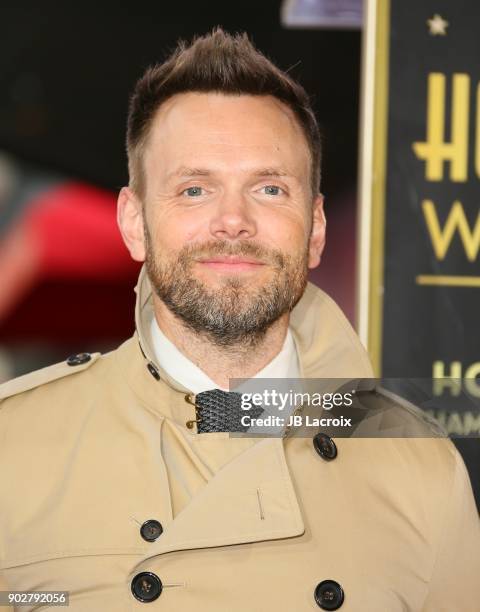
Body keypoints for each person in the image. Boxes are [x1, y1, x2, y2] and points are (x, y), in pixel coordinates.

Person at [0, 28, 479, 612]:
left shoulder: (419, 465)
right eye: (196, 189)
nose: (233, 221)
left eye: (271, 188)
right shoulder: (13, 445)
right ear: (132, 222)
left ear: (317, 229)